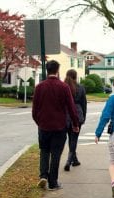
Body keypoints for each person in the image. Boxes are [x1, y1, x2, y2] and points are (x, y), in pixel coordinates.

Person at [32, 60, 79, 190]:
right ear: (57, 70)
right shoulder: (64, 87)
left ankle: (43, 175)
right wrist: (75, 124)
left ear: (47, 70)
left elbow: (34, 110)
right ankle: (53, 182)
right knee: (56, 154)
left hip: (44, 126)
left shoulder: (39, 87)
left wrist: (39, 122)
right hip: (59, 126)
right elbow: (71, 108)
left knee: (44, 151)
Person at [63, 69, 87, 171]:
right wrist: (84, 116)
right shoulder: (80, 88)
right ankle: (69, 160)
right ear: (76, 76)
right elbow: (84, 103)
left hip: (65, 114)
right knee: (74, 138)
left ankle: (74, 159)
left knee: (70, 137)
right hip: (77, 114)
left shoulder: (63, 86)